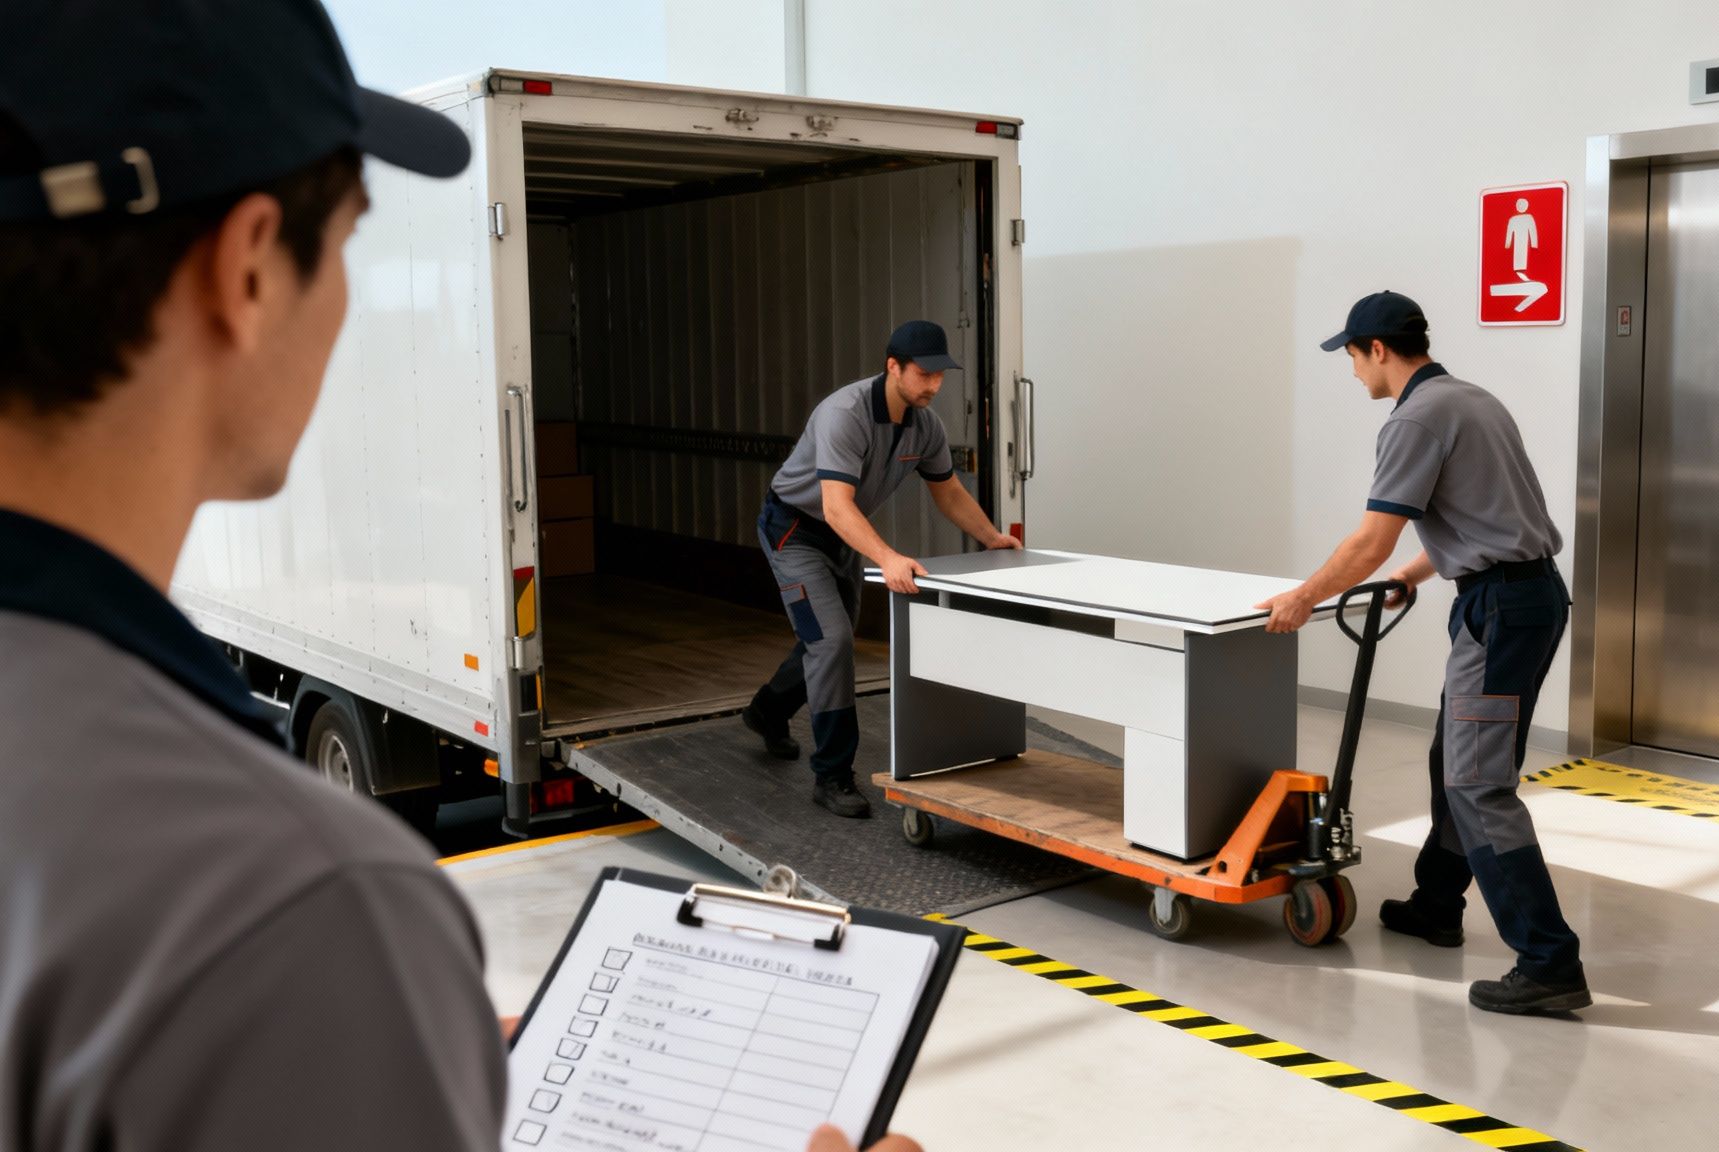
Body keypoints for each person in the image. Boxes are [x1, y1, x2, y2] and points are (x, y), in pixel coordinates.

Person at [0, 3, 931, 1148]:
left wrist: (379, 1062)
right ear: (243, 273)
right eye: (344, 242)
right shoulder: (286, 907)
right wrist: (348, 1008)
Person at [1256, 291, 1590, 1016]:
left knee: (1476, 782)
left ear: (1378, 349)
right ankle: (1437, 904)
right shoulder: (1472, 400)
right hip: (1525, 599)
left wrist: (1304, 596)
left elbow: (1370, 539)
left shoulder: (1411, 418)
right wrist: (1415, 573)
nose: (1351, 372)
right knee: (1457, 760)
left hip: (1498, 612)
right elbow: (1486, 511)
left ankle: (1548, 960)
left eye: (1350, 355)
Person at [743, 321, 1020, 817]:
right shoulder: (843, 415)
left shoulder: (925, 425)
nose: (934, 385)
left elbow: (949, 490)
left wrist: (990, 537)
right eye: (924, 373)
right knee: (832, 642)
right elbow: (835, 506)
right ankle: (831, 775)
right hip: (796, 529)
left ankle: (767, 711)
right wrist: (888, 557)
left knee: (827, 638)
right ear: (893, 367)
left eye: (941, 375)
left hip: (844, 534)